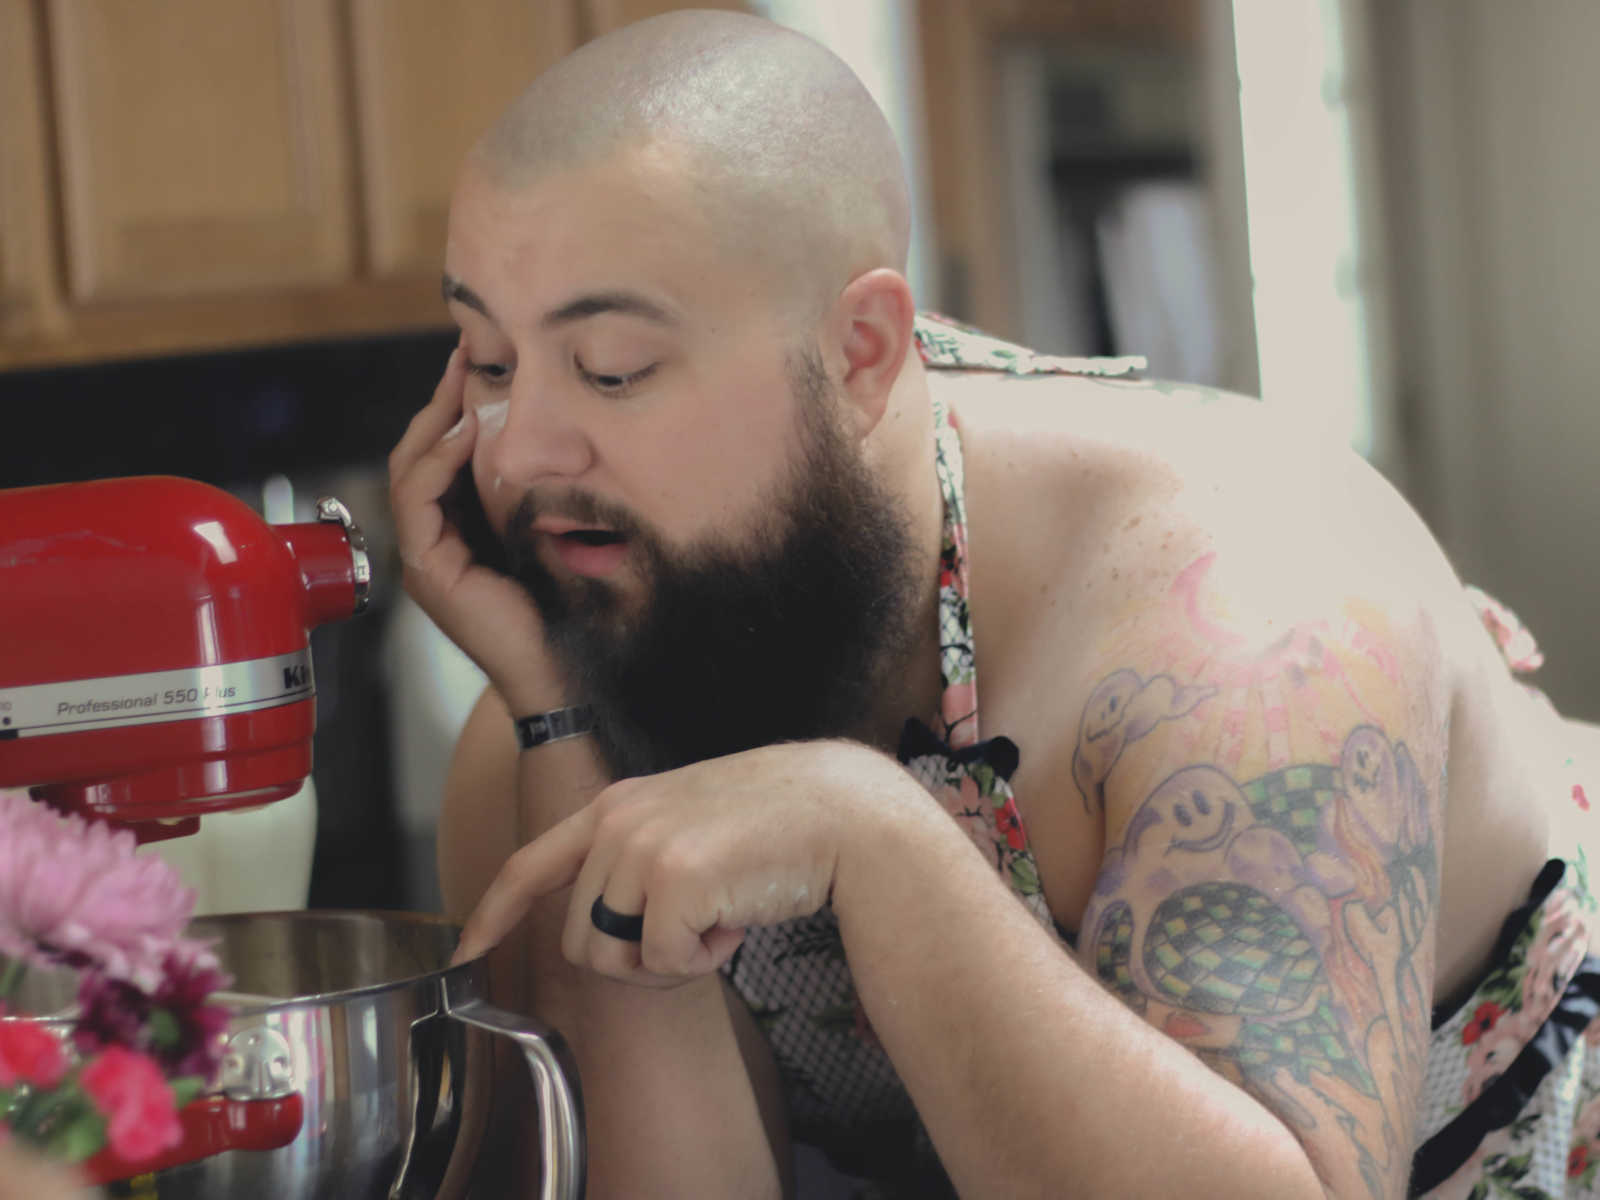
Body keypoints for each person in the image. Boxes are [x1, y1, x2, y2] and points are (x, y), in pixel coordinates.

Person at [388, 11, 1600, 1198]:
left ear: (860, 354)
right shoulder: (555, 704)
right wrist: (560, 724)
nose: (519, 451)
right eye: (489, 363)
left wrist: (876, 838)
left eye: (611, 369)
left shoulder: (1242, 623)